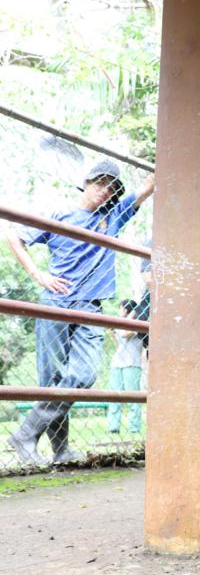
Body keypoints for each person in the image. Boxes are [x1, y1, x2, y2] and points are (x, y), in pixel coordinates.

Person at [5, 160, 155, 464]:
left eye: (111, 188)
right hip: (55, 302)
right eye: (100, 183)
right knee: (52, 379)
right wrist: (39, 275)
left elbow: (146, 188)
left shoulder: (112, 217)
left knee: (84, 374)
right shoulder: (59, 213)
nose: (104, 191)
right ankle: (60, 451)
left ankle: (24, 434)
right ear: (86, 182)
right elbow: (14, 236)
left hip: (91, 306)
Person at [106, 299, 144, 433]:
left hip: (132, 363)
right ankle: (113, 427)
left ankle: (134, 427)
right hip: (118, 362)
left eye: (121, 308)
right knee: (115, 396)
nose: (119, 311)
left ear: (127, 310)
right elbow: (119, 345)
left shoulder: (136, 324)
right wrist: (111, 332)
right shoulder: (119, 324)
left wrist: (116, 326)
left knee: (133, 398)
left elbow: (125, 334)